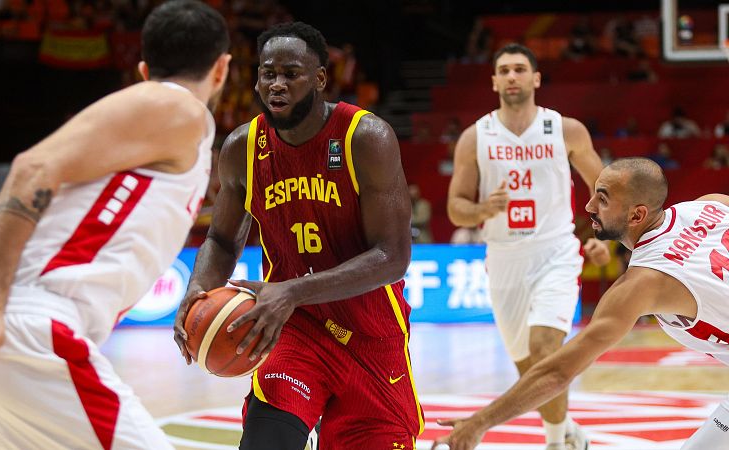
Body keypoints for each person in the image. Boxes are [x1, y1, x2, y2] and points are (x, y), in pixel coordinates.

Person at [0, 1, 230, 448]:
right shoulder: (175, 105)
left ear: (143, 68)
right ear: (223, 69)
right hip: (23, 328)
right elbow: (32, 168)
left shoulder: (155, 129)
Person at [173, 22, 423, 450]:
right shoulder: (242, 148)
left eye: (291, 73)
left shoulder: (365, 138)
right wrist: (199, 289)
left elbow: (393, 256)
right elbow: (222, 240)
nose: (277, 84)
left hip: (370, 334)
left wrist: (291, 290)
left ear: (321, 78)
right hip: (292, 328)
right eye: (268, 73)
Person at [432, 158, 729, 450]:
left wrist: (479, 423)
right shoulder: (711, 205)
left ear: (637, 216)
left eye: (603, 199)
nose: (588, 207)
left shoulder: (644, 281)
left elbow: (558, 372)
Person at [446, 43, 610, 450]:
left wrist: (600, 237)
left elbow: (606, 188)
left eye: (520, 69)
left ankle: (557, 443)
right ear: (494, 81)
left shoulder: (564, 129)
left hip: (555, 252)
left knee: (544, 350)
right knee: (530, 370)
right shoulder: (475, 137)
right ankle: (568, 428)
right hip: (503, 259)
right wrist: (484, 208)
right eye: (504, 70)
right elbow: (455, 209)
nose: (512, 76)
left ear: (536, 78)